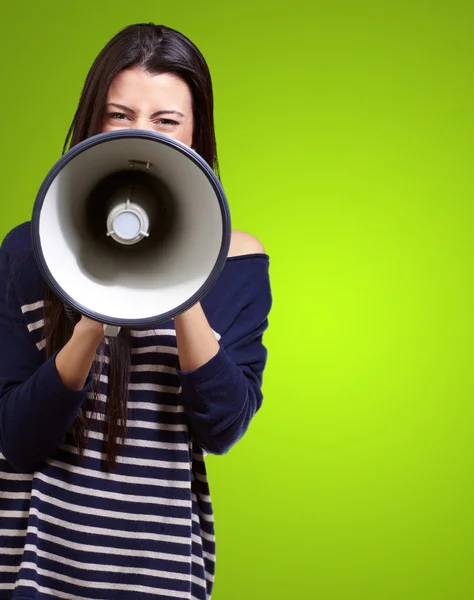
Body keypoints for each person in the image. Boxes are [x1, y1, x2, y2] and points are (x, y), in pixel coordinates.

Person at [0, 23, 272, 600]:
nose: (139, 136)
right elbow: (18, 438)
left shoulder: (238, 261)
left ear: (197, 135)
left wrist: (180, 273)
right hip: (33, 572)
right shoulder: (30, 249)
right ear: (91, 121)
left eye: (166, 121)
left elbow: (222, 427)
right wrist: (94, 307)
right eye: (118, 115)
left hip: (161, 574)